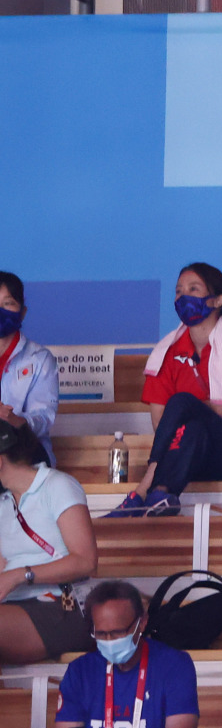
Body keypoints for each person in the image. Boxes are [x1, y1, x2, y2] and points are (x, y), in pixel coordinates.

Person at [108, 263, 222, 517]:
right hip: (186, 453)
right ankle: (161, 495)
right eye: (178, 291)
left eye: (193, 289)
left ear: (217, 300)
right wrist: (206, 412)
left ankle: (141, 492)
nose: (183, 297)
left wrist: (196, 407)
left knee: (182, 401)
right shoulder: (166, 351)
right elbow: (162, 423)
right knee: (193, 428)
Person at [0, 419, 97, 665]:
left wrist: (18, 575)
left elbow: (86, 562)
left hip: (61, 604)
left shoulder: (58, 485)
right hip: (13, 607)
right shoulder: (4, 502)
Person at [56, 580, 199, 728]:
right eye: (101, 634)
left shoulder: (175, 666)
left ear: (142, 622)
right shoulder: (79, 671)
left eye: (118, 632)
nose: (109, 641)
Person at [0, 271, 58, 467]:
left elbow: (43, 417)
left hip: (25, 453)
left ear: (22, 311)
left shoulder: (40, 359)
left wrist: (14, 420)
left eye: (8, 303)